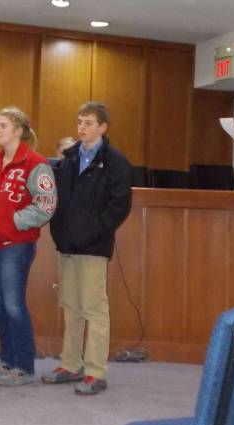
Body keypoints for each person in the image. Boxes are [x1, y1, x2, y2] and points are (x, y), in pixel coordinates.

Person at [42, 101, 132, 395]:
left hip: (93, 246)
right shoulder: (67, 159)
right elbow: (58, 201)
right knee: (71, 306)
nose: (82, 127)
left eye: (89, 122)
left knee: (94, 308)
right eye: (79, 121)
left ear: (103, 127)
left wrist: (94, 230)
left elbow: (119, 206)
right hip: (67, 244)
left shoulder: (116, 162)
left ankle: (96, 371)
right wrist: (59, 230)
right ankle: (70, 364)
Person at [0, 106, 56, 387]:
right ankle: (7, 361)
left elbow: (46, 204)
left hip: (16, 245)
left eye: (3, 125)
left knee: (13, 305)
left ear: (18, 131)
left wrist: (15, 221)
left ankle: (24, 366)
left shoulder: (35, 164)